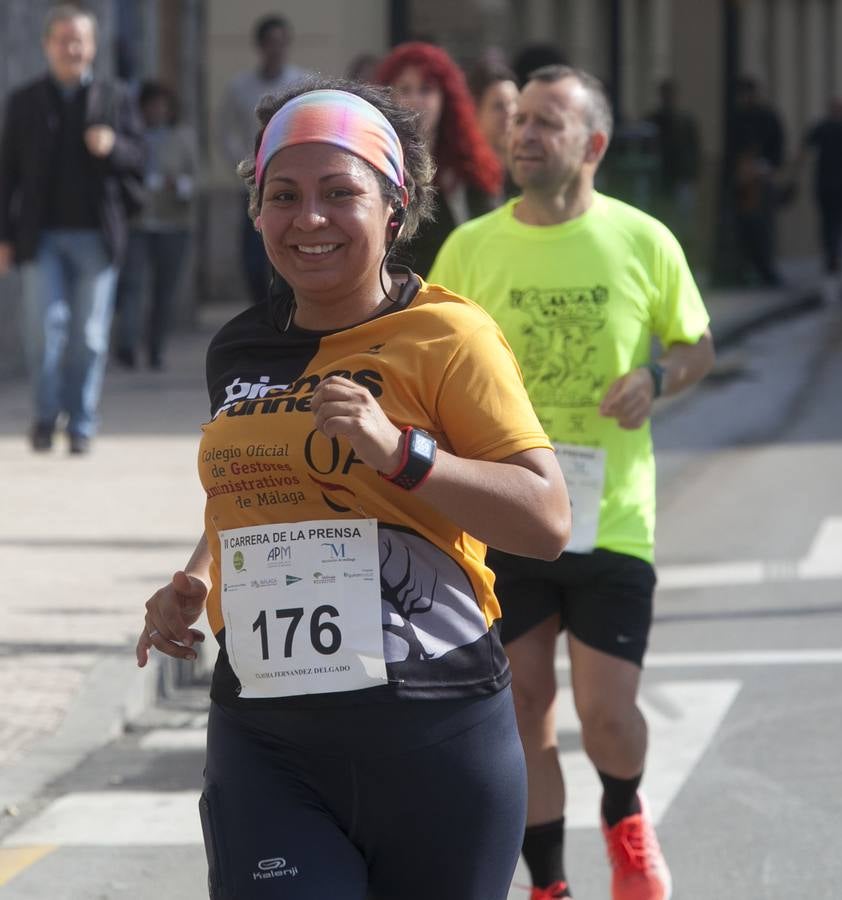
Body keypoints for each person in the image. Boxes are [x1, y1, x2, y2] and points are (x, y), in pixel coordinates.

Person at [134, 78, 571, 899]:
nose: (310, 220)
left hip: (435, 730)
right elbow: (253, 489)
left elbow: (545, 520)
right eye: (284, 196)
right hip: (267, 734)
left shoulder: (448, 336)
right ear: (256, 209)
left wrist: (400, 453)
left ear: (395, 210)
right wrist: (198, 575)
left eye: (342, 194)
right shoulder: (237, 348)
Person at [429, 65, 714, 900]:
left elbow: (696, 345)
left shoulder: (642, 239)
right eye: (518, 120)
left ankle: (624, 814)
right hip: (507, 510)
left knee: (609, 717)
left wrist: (660, 378)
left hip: (610, 517)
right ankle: (549, 885)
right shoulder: (471, 247)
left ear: (592, 144)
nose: (523, 134)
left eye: (547, 122)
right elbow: (432, 362)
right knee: (524, 706)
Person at [0, 4, 145, 455]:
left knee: (89, 336)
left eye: (79, 40)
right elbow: (6, 173)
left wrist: (113, 146)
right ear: (47, 46)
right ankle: (45, 418)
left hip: (97, 238)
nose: (72, 48)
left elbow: (141, 158)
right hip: (40, 238)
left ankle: (81, 423)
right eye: (62, 39)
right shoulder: (24, 101)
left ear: (93, 47)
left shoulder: (114, 96)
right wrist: (4, 236)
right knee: (45, 331)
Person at [375, 42, 504, 278]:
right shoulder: (375, 163)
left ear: (446, 98)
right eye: (405, 89)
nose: (416, 100)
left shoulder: (468, 168)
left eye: (426, 90)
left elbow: (489, 244)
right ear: (388, 95)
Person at [218, 14, 310, 305]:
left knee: (290, 247)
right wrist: (245, 166)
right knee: (253, 258)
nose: (276, 49)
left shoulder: (302, 83)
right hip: (254, 185)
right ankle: (262, 308)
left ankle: (288, 306)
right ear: (260, 46)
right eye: (270, 43)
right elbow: (224, 131)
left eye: (281, 43)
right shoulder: (240, 87)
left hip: (293, 183)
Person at [113, 81, 197, 371]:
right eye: (151, 105)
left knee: (165, 290)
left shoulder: (183, 137)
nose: (157, 111)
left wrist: (180, 185)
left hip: (174, 224)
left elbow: (197, 176)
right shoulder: (132, 137)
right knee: (133, 285)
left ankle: (156, 348)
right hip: (137, 223)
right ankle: (126, 346)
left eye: (162, 105)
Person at [794, 97, 842, 305]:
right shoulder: (827, 128)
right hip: (829, 187)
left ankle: (834, 265)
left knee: (834, 228)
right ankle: (832, 265)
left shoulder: (836, 127)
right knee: (832, 228)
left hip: (837, 187)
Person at [726, 76, 786, 286]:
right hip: (743, 182)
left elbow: (777, 148)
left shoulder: (766, 118)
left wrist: (765, 167)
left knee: (764, 227)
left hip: (762, 178)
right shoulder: (739, 118)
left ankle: (764, 268)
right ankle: (746, 269)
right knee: (744, 227)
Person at [645, 78, 701, 251]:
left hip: (681, 177)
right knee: (663, 220)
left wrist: (692, 174)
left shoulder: (685, 121)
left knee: (683, 221)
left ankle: (685, 253)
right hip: (661, 179)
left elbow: (694, 148)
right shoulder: (654, 120)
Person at [468, 59, 519, 175]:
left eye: (515, 102)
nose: (510, 112)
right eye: (498, 106)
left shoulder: (529, 172)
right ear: (475, 112)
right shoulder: (466, 174)